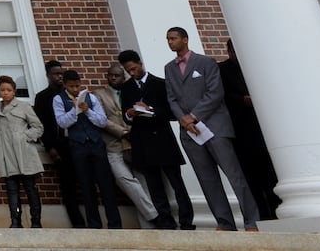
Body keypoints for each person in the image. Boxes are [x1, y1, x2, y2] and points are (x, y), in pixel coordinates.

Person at [164, 26, 261, 231]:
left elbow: (215, 92)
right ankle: (224, 222)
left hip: (214, 126)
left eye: (173, 38)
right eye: (168, 39)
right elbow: (171, 98)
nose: (170, 42)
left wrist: (194, 116)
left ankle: (252, 220)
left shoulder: (206, 62)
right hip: (189, 132)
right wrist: (184, 120)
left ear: (185, 39)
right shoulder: (169, 68)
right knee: (207, 179)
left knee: (234, 176)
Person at [117, 47, 195, 230]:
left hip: (162, 139)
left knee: (177, 183)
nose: (132, 73)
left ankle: (186, 221)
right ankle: (166, 221)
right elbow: (124, 116)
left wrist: (150, 110)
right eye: (128, 71)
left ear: (140, 64)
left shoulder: (160, 83)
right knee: (154, 185)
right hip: (142, 141)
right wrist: (130, 114)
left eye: (134, 69)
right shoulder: (126, 88)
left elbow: (172, 113)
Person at [221, 39, 281, 219]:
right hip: (241, 132)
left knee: (271, 177)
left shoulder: (257, 66)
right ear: (229, 51)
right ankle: (262, 216)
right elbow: (222, 96)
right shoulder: (222, 69)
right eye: (234, 51)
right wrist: (241, 100)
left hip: (265, 131)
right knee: (251, 179)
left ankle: (276, 212)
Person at [53, 69, 121, 228]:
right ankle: (95, 225)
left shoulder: (90, 97)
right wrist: (74, 111)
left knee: (106, 185)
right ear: (65, 85)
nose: (75, 89)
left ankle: (115, 224)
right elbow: (62, 122)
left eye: (77, 86)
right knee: (86, 186)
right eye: (71, 86)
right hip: (77, 146)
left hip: (96, 143)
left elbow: (102, 121)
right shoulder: (58, 99)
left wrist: (87, 110)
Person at [98, 62, 160, 227]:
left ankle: (149, 227)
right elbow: (101, 120)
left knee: (143, 183)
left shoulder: (130, 91)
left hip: (135, 144)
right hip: (114, 145)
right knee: (124, 180)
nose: (113, 77)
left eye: (117, 75)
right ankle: (154, 215)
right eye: (110, 74)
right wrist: (124, 132)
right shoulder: (98, 95)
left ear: (123, 77)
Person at [33, 58, 85, 227]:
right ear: (48, 76)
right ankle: (78, 223)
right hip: (60, 146)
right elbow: (42, 124)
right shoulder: (42, 97)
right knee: (68, 186)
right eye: (55, 74)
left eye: (61, 74)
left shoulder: (72, 94)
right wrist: (50, 147)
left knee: (85, 182)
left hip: (78, 143)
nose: (59, 77)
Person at [0, 74, 43, 228]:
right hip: (6, 155)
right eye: (2, 90)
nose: (5, 93)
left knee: (30, 189)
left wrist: (24, 138)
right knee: (12, 190)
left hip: (23, 153)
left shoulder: (23, 107)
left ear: (14, 91)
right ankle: (15, 222)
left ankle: (36, 222)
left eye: (8, 90)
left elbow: (38, 127)